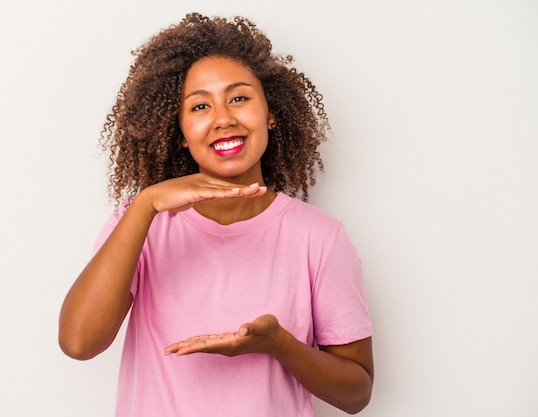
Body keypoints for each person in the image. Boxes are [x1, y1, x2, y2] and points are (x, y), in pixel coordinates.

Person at [59, 12, 374, 417]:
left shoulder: (319, 237)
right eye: (200, 106)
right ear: (180, 129)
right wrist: (145, 204)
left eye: (239, 98)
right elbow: (79, 343)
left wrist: (279, 344)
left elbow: (356, 394)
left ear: (271, 112)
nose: (223, 118)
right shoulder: (141, 221)